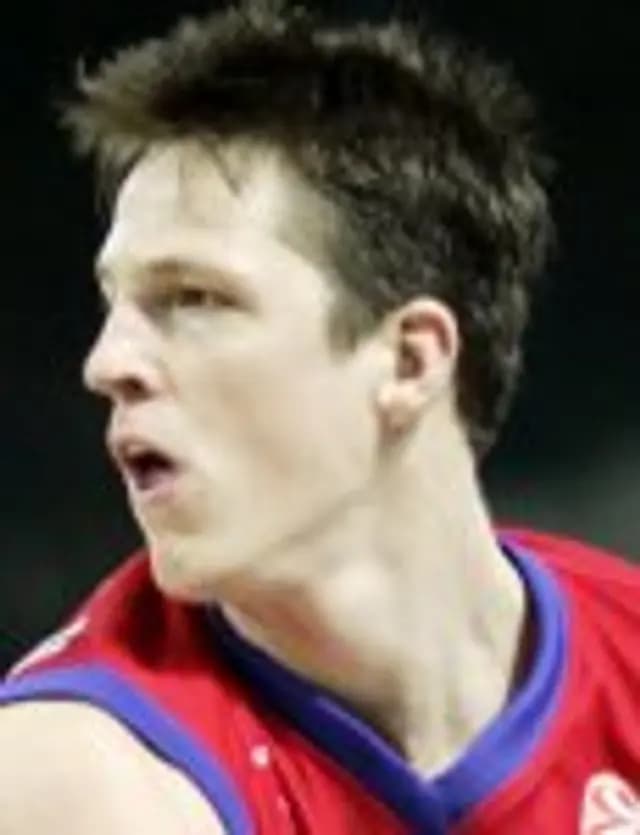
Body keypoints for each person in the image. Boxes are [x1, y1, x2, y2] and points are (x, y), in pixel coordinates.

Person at [2, 2, 639, 833]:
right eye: (114, 302)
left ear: (409, 360)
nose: (107, 361)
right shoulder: (85, 775)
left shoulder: (624, 654)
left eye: (194, 297)